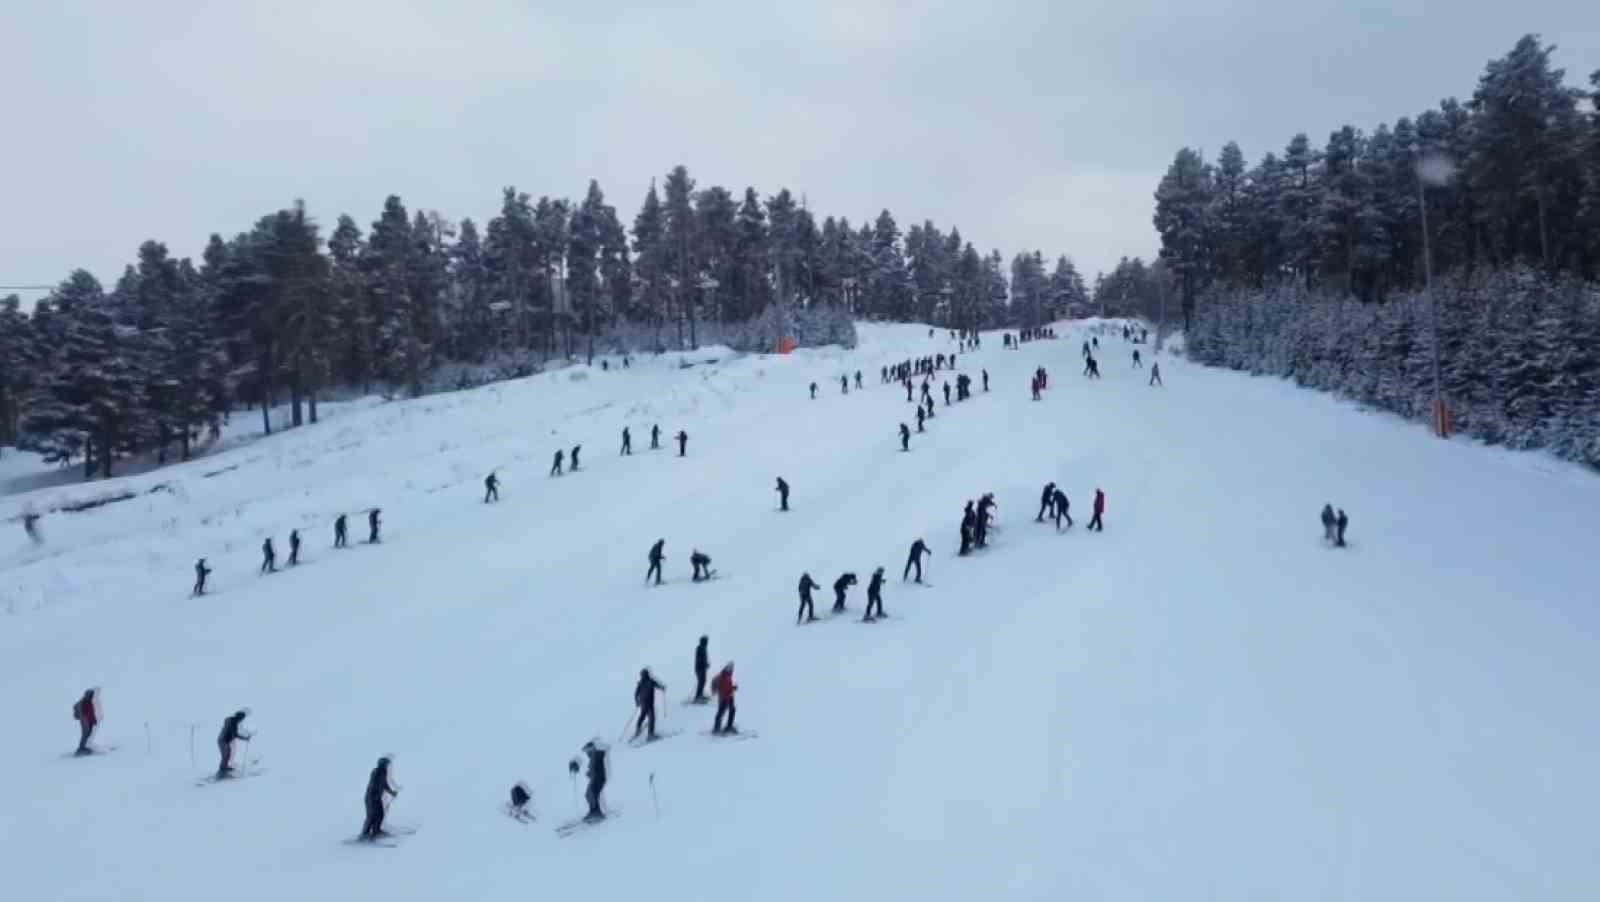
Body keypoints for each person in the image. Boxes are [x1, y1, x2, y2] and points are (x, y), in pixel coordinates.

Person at [361, 756, 399, 841]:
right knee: (371, 816)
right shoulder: (376, 772)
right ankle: (364, 834)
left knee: (380, 814)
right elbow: (373, 784)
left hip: (377, 798)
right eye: (386, 764)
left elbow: (384, 784)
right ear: (382, 764)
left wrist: (392, 793)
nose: (388, 766)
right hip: (371, 797)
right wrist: (375, 795)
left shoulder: (383, 772)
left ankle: (376, 831)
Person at [216, 710, 251, 778]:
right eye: (242, 718)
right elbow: (235, 734)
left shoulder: (231, 720)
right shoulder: (233, 722)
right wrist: (245, 738)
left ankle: (224, 768)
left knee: (227, 754)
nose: (242, 720)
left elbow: (233, 733)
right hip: (223, 740)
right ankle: (222, 771)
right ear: (239, 717)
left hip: (224, 740)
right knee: (226, 755)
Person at [633, 668, 665, 741]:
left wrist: (637, 702)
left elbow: (636, 694)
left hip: (643, 702)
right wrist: (662, 688)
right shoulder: (650, 681)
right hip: (648, 703)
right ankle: (650, 734)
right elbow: (657, 685)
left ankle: (638, 728)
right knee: (651, 718)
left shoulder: (641, 683)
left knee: (643, 715)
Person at [581, 741, 608, 821]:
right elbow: (595, 768)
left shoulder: (595, 755)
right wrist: (589, 773)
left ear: (591, 749)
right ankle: (595, 812)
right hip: (597, 777)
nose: (586, 753)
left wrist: (591, 773)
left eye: (587, 751)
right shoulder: (594, 756)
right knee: (591, 795)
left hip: (598, 778)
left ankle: (595, 813)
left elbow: (594, 768)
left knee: (591, 794)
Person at [711, 664, 738, 735]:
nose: (732, 670)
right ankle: (717, 728)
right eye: (731, 669)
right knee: (721, 712)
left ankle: (728, 726)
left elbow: (727, 687)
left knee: (732, 710)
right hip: (725, 698)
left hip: (729, 697)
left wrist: (733, 688)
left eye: (732, 669)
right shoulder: (723, 676)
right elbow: (723, 688)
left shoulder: (727, 675)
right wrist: (731, 689)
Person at [72, 688, 97, 755]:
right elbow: (85, 712)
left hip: (89, 720)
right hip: (85, 721)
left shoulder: (89, 701)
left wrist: (94, 719)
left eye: (92, 694)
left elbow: (91, 712)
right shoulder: (84, 701)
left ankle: (83, 747)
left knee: (88, 734)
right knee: (85, 734)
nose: (92, 695)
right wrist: (82, 717)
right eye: (91, 694)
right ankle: (81, 748)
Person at [693, 636, 710, 702]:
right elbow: (700, 659)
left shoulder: (703, 648)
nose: (707, 642)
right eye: (706, 641)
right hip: (699, 668)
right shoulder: (700, 648)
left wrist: (706, 664)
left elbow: (704, 659)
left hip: (702, 668)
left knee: (703, 681)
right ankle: (697, 697)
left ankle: (700, 695)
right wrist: (705, 664)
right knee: (701, 682)